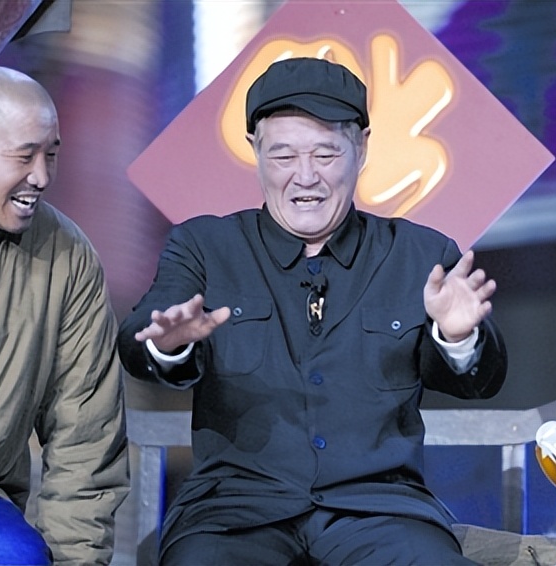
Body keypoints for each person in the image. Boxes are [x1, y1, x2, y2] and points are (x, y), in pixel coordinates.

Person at [118, 56, 508, 565]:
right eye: (283, 156)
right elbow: (138, 339)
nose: (306, 177)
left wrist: (457, 338)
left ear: (361, 149)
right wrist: (168, 345)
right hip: (235, 512)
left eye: (326, 154)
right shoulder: (205, 247)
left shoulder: (421, 254)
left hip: (379, 511)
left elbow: (484, 378)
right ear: (255, 151)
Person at [0, 65, 129, 565]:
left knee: (13, 556)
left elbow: (85, 435)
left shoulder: (67, 256)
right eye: (24, 156)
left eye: (51, 154)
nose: (42, 177)